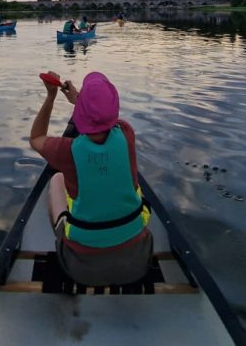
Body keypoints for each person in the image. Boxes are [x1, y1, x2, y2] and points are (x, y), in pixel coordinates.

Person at [29, 71, 153, 287]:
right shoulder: (127, 134)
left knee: (58, 179)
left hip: (80, 268)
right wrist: (79, 100)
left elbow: (36, 138)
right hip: (139, 260)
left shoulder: (67, 151)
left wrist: (51, 97)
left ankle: (63, 237)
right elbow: (105, 119)